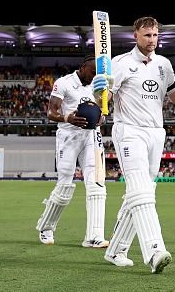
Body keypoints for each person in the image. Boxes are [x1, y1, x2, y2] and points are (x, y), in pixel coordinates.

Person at [93, 17, 175, 274]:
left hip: (155, 133)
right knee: (141, 191)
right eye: (147, 35)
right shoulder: (119, 64)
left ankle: (116, 250)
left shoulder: (164, 64)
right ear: (135, 36)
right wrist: (98, 92)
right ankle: (154, 250)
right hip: (129, 131)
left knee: (140, 193)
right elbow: (101, 100)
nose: (152, 40)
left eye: (155, 35)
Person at [35, 55, 109, 248]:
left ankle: (94, 236)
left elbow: (102, 112)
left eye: (97, 74)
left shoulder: (99, 85)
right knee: (65, 184)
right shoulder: (64, 83)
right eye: (92, 72)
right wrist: (68, 117)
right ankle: (46, 226)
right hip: (69, 137)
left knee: (96, 184)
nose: (94, 77)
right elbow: (51, 112)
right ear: (83, 67)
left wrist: (101, 118)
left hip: (92, 137)